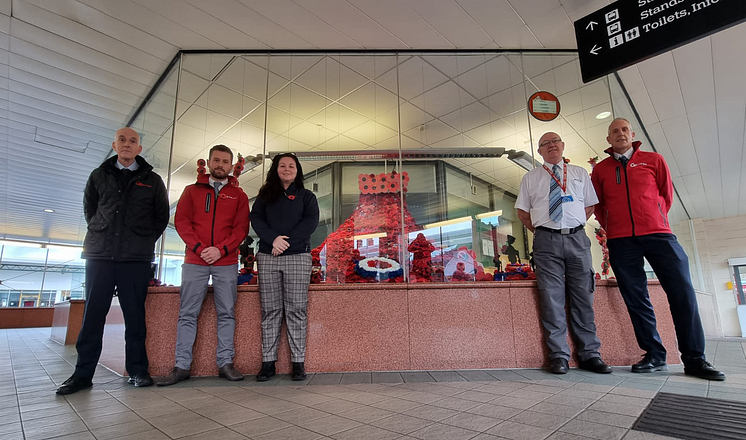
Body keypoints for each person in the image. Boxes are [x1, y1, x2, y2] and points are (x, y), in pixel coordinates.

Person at [591, 118, 724, 381]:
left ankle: (695, 359)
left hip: (659, 235)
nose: (620, 134)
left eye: (624, 130)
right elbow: (599, 205)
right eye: (614, 131)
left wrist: (655, 219)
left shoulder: (654, 160)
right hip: (621, 240)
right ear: (608, 139)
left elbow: (665, 196)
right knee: (636, 299)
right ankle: (654, 355)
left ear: (632, 134)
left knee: (683, 294)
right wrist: (612, 229)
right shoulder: (601, 170)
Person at [56, 127, 169, 395]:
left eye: (133, 141)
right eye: (122, 140)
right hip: (100, 256)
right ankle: (82, 375)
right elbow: (91, 211)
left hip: (135, 259)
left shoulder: (152, 180)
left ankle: (138, 370)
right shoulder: (99, 175)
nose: (127, 144)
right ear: (115, 145)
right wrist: (103, 232)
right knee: (93, 316)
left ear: (139, 149)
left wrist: (142, 240)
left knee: (135, 316)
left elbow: (161, 217)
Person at [515, 132, 611, 375]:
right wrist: (546, 230)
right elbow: (523, 213)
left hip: (577, 239)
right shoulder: (530, 177)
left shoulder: (579, 173)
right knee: (551, 299)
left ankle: (590, 354)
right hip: (546, 242)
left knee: (583, 296)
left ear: (562, 145)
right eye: (545, 144)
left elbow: (589, 205)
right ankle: (558, 355)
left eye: (554, 141)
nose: (551, 146)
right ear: (539, 152)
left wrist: (572, 225)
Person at [157, 145, 249, 386]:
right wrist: (200, 249)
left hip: (226, 261)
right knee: (187, 314)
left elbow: (240, 229)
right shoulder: (190, 191)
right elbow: (182, 222)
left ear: (231, 166)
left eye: (225, 161)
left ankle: (225, 363)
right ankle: (181, 366)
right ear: (209, 162)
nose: (220, 165)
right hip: (195, 262)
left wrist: (221, 250)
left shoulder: (238, 196)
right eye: (216, 160)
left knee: (227, 313)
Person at [251, 153, 319, 381]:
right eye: (283, 165)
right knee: (270, 311)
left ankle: (298, 362)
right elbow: (257, 220)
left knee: (296, 310)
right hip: (268, 256)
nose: (287, 169)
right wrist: (273, 240)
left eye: (292, 166)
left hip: (298, 257)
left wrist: (285, 242)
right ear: (276, 169)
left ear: (297, 170)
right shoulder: (265, 195)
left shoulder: (306, 196)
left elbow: (310, 222)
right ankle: (267, 362)